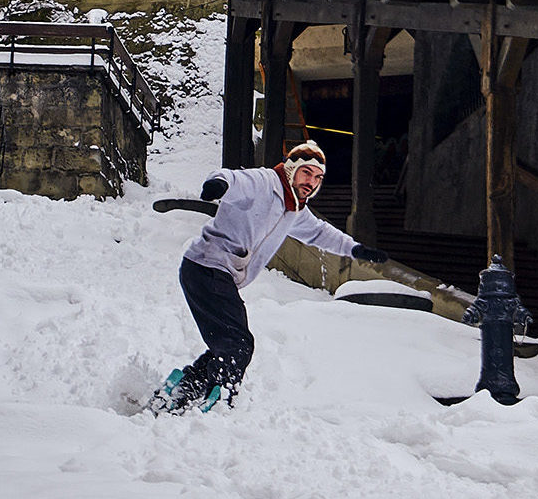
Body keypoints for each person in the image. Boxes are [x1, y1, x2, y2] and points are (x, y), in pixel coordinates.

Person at [154, 140, 388, 414]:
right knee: (238, 345)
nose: (311, 182)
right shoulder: (264, 182)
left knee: (231, 344)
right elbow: (231, 178)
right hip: (208, 266)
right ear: (291, 169)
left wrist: (354, 249)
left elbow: (320, 232)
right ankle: (218, 401)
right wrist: (217, 185)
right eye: (306, 173)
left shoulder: (294, 209)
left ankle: (181, 390)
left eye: (317, 178)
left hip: (214, 273)